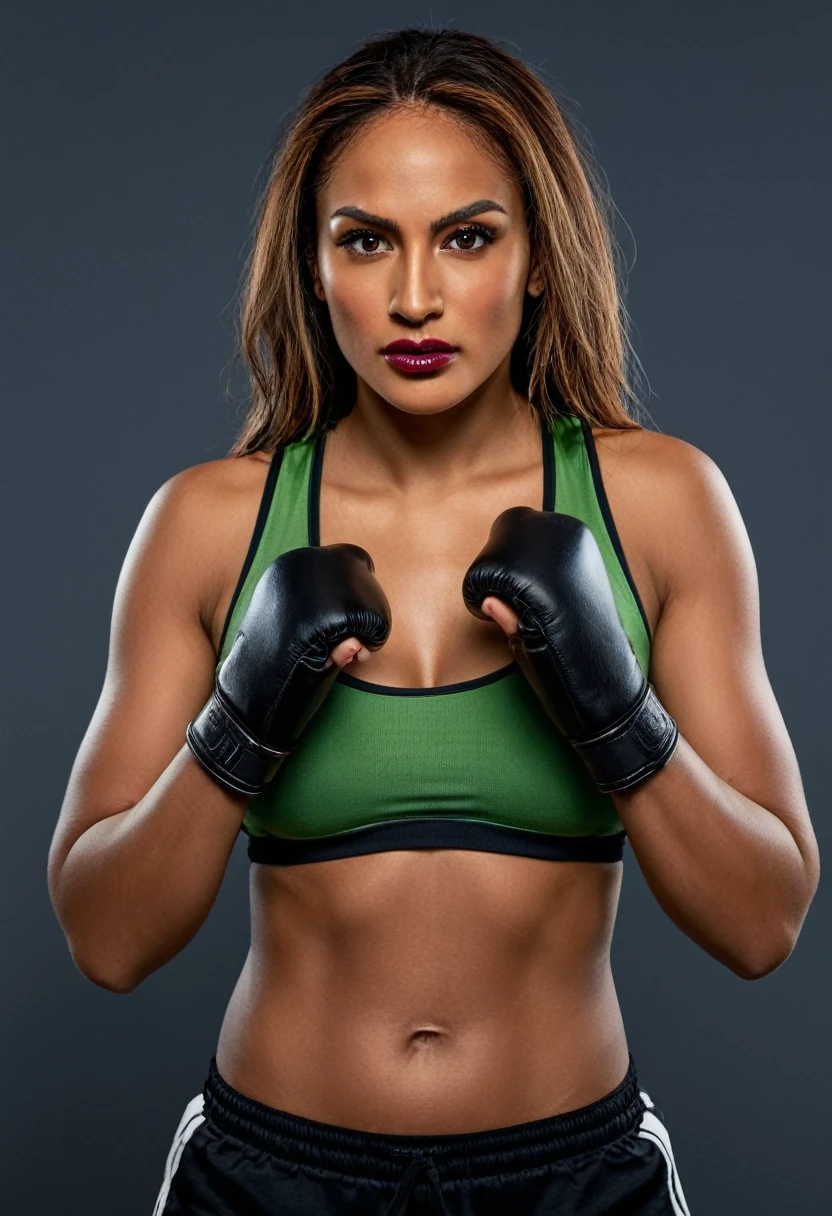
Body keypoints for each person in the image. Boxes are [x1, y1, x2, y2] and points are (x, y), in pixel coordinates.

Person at [48, 26, 819, 1216]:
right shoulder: (211, 522)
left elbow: (764, 921)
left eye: (466, 237)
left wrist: (619, 717)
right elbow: (105, 940)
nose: (415, 296)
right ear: (313, 265)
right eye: (366, 240)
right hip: (270, 1175)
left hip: (576, 1178)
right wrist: (235, 726)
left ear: (538, 259)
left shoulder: (658, 503)